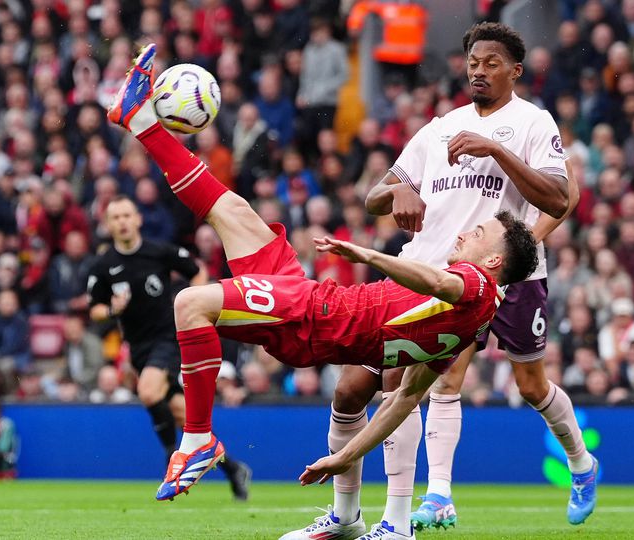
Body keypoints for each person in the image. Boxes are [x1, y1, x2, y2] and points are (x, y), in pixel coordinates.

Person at [106, 46, 538, 539]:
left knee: (190, 302)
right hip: (317, 301)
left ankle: (199, 438)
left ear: (493, 262)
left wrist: (367, 256)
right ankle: (139, 121)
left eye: (477, 234)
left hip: (313, 319)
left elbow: (438, 279)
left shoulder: (476, 286)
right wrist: (343, 457)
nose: (464, 234)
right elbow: (398, 406)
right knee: (232, 212)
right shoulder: (467, 328)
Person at [288, 22, 596, 539]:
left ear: (515, 71)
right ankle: (417, 506)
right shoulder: (437, 129)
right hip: (431, 275)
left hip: (510, 273)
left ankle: (580, 464)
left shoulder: (531, 123)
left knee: (530, 384)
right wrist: (397, 194)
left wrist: (496, 151)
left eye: (491, 63)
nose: (478, 70)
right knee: (384, 384)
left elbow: (560, 199)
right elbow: (375, 197)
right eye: (473, 62)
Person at [87, 195, 251, 501]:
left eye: (126, 215)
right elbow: (93, 309)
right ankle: (234, 469)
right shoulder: (103, 265)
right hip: (138, 346)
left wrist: (195, 303)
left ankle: (169, 459)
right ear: (108, 225)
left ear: (137, 219)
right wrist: (111, 309)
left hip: (169, 337)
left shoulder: (158, 252)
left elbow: (196, 271)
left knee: (148, 392)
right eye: (115, 217)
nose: (122, 222)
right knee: (181, 415)